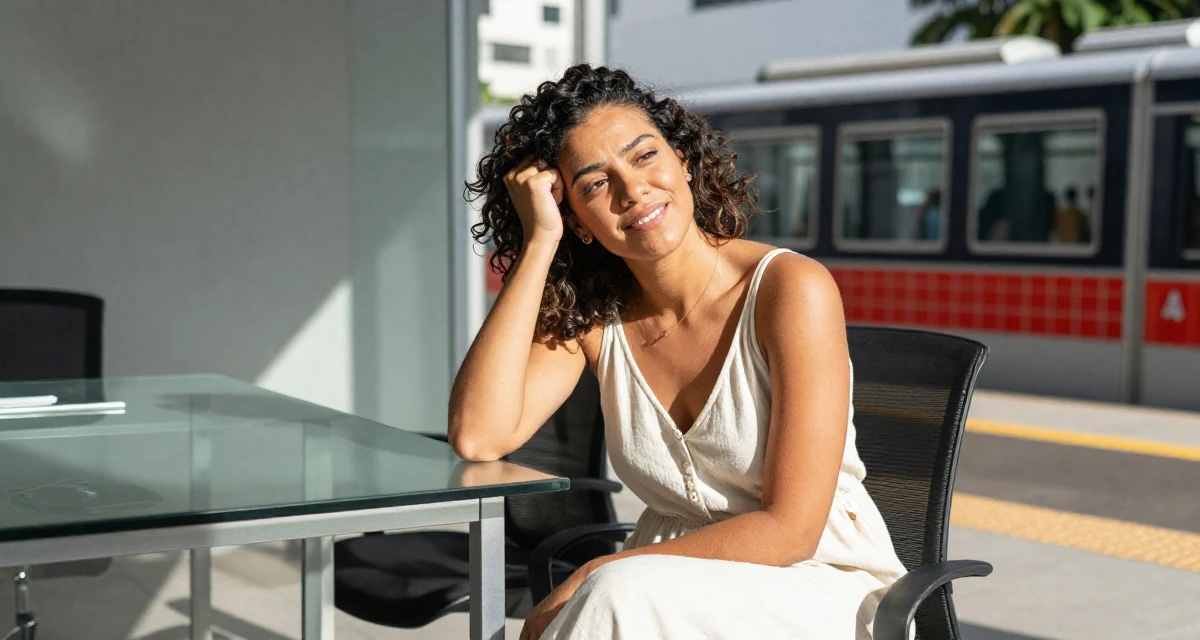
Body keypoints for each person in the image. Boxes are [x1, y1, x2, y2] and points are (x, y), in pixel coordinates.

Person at [450, 64, 908, 640]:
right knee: (614, 601)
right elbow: (478, 434)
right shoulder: (598, 320)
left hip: (817, 582)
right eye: (594, 183)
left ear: (683, 160)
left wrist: (595, 571)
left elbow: (792, 530)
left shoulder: (790, 290)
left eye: (644, 156)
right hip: (658, 593)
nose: (632, 189)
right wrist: (540, 241)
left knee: (608, 599)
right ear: (578, 221)